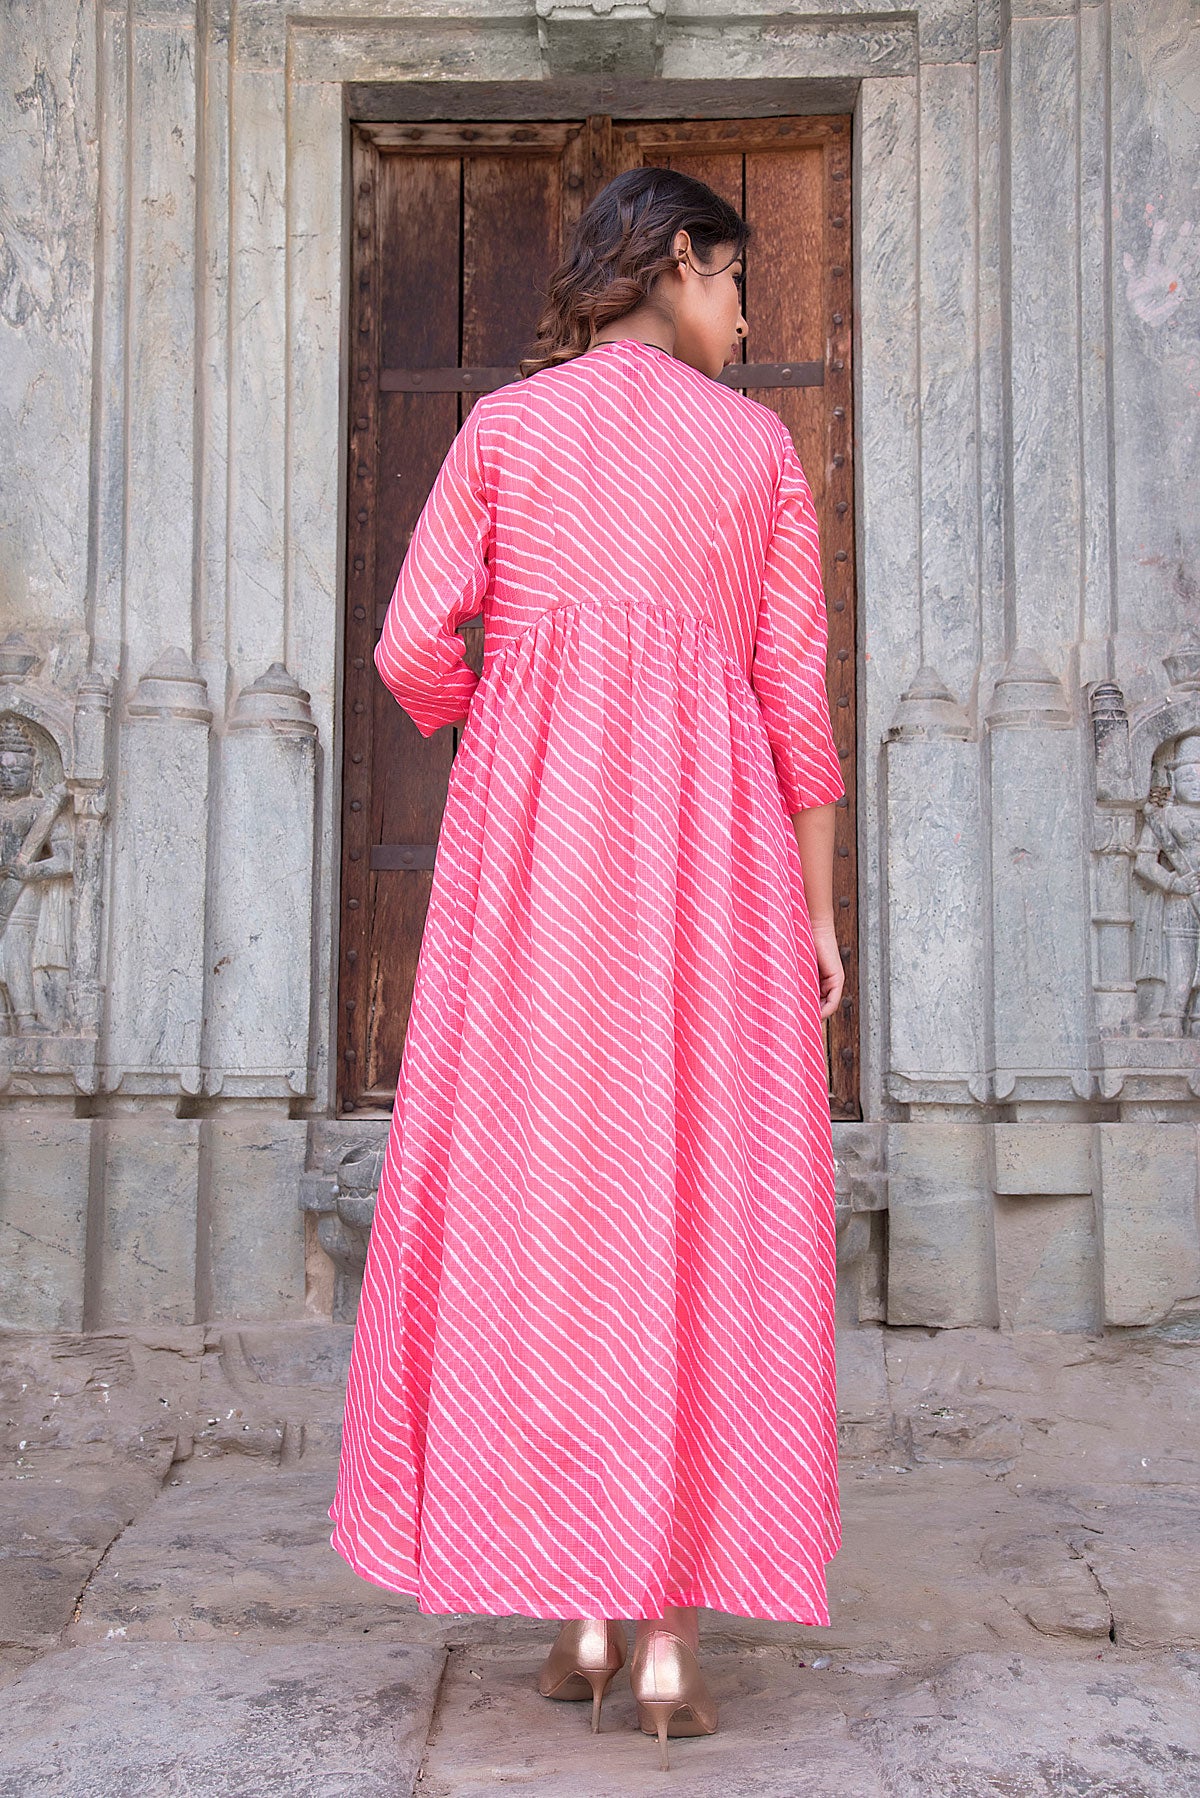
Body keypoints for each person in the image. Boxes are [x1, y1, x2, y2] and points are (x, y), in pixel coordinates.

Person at [328, 166, 847, 1771]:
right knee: (702, 1204)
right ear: (680, 261)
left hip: (535, 874)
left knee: (551, 1205)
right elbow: (796, 703)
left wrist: (520, 715)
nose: (744, 316)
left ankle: (579, 1613)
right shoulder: (754, 448)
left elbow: (410, 647)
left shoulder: (503, 431)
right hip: (715, 870)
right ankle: (674, 1636)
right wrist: (819, 915)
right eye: (735, 281)